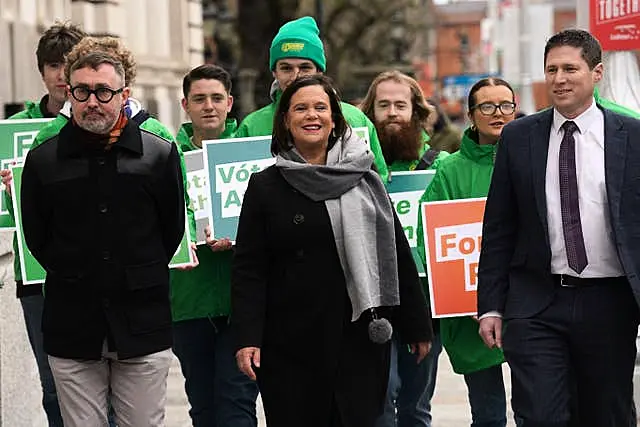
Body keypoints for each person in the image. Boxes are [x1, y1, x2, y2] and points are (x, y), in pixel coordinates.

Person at [231, 74, 433, 427]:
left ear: (335, 118)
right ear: (285, 121)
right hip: (289, 344)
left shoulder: (364, 177)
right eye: (301, 108)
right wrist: (247, 337)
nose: (312, 115)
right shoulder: (265, 186)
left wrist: (416, 325)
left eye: (320, 107)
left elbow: (395, 252)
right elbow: (250, 268)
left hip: (358, 338)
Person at [477, 29, 640, 427]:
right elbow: (499, 226)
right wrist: (491, 306)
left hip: (611, 302)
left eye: (570, 68)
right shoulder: (519, 137)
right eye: (551, 69)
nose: (559, 79)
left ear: (596, 72)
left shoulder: (631, 137)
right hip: (537, 302)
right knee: (540, 415)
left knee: (607, 414)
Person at [20, 50, 185, 427]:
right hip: (72, 324)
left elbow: (171, 230)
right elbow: (38, 237)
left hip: (143, 323)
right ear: (70, 95)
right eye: (81, 92)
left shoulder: (158, 154)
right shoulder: (44, 160)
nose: (92, 101)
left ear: (124, 95)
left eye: (103, 92)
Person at [419, 77, 520, 427]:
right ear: (471, 114)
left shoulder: (536, 157)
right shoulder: (450, 170)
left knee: (537, 406)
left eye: (505, 105)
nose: (498, 114)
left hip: (530, 304)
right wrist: (463, 300)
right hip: (473, 313)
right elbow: (431, 238)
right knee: (489, 413)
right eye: (487, 107)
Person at [1, 21, 85, 427]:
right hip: (35, 276)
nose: (62, 76)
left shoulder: (98, 119)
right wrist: (7, 186)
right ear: (42, 72)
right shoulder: (16, 128)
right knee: (53, 384)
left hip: (90, 270)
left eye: (69, 65)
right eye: (54, 66)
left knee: (95, 377)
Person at [171, 64, 259, 427]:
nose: (209, 106)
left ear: (230, 103)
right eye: (199, 99)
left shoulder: (251, 153)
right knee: (202, 405)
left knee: (236, 401)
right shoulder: (165, 155)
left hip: (242, 301)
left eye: (217, 98)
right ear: (185, 104)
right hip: (189, 300)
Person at [359, 70, 447, 427]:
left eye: (400, 105)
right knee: (380, 400)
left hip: (425, 304)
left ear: (417, 112)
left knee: (415, 403)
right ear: (370, 114)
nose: (392, 113)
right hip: (373, 303)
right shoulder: (355, 169)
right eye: (383, 106)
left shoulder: (441, 168)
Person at [234, 16, 390, 182]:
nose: (296, 77)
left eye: (305, 67)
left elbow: (378, 182)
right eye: (286, 68)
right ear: (274, 72)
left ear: (319, 71)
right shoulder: (251, 127)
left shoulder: (355, 119)